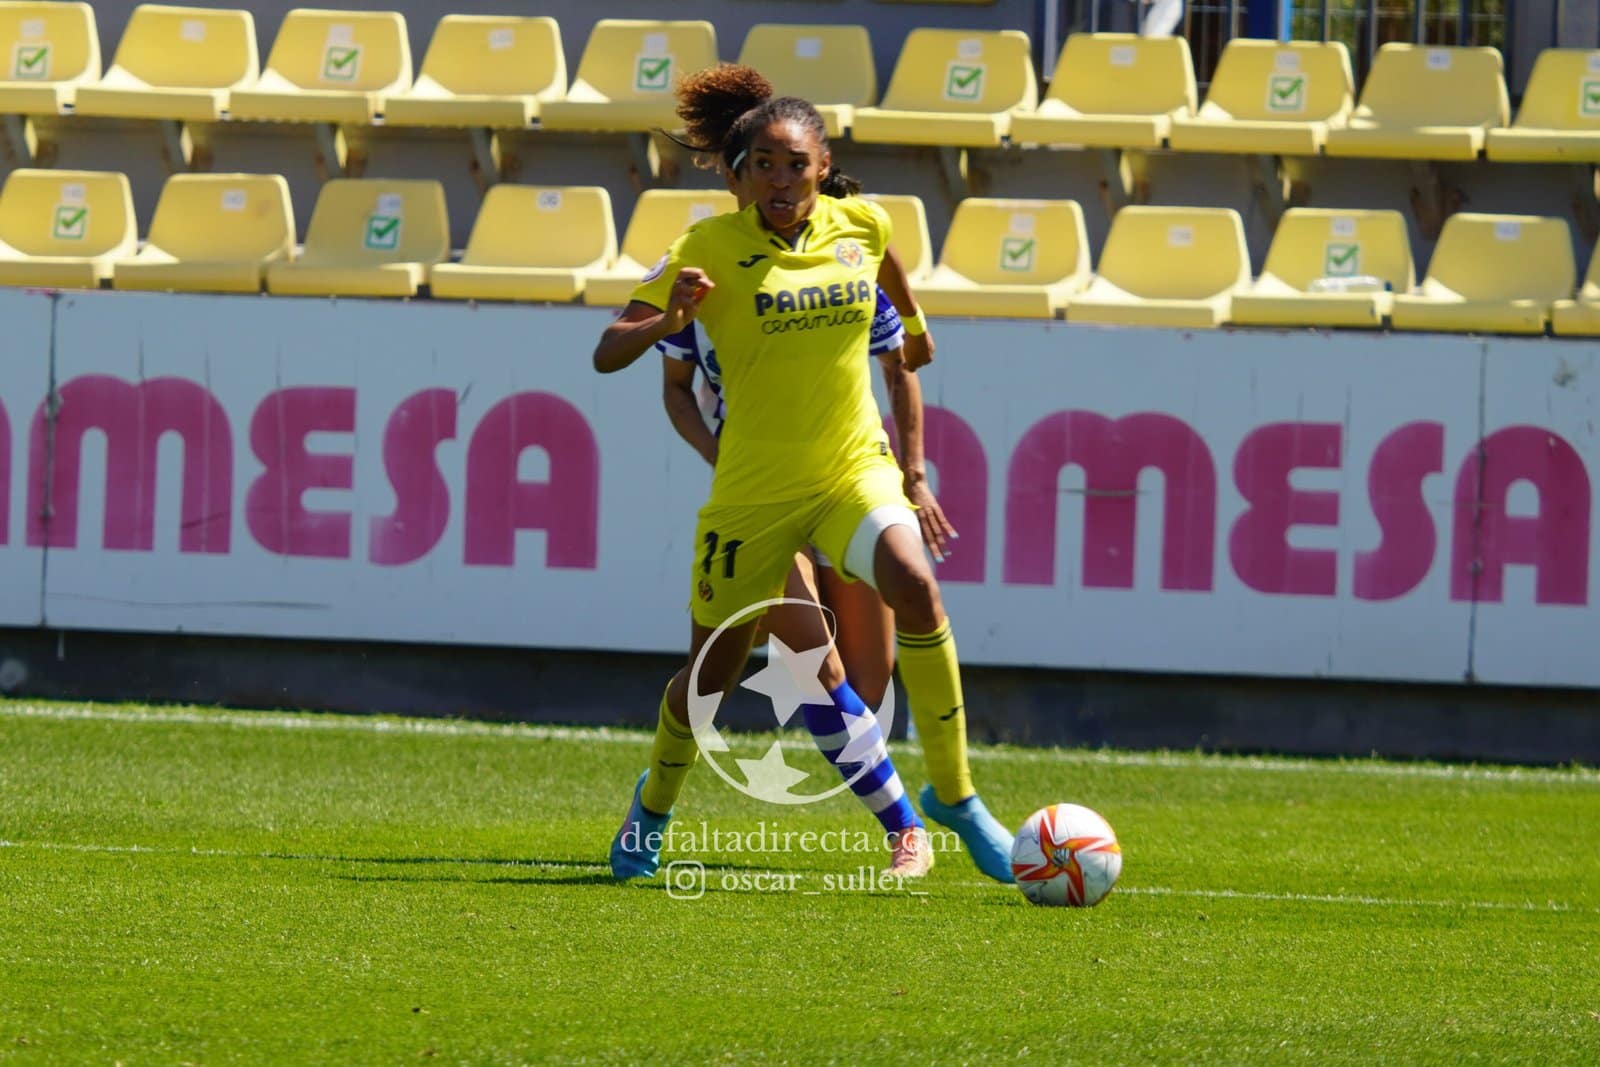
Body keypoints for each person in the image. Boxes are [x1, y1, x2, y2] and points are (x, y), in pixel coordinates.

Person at [590, 77, 1014, 884]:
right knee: (714, 677)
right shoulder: (704, 249)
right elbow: (608, 352)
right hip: (752, 490)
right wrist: (668, 321)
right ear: (737, 176)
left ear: (824, 168)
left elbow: (884, 261)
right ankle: (652, 806)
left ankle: (950, 798)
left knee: (915, 588)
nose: (779, 181)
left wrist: (916, 332)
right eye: (762, 166)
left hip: (851, 469)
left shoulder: (861, 223)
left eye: (794, 165)